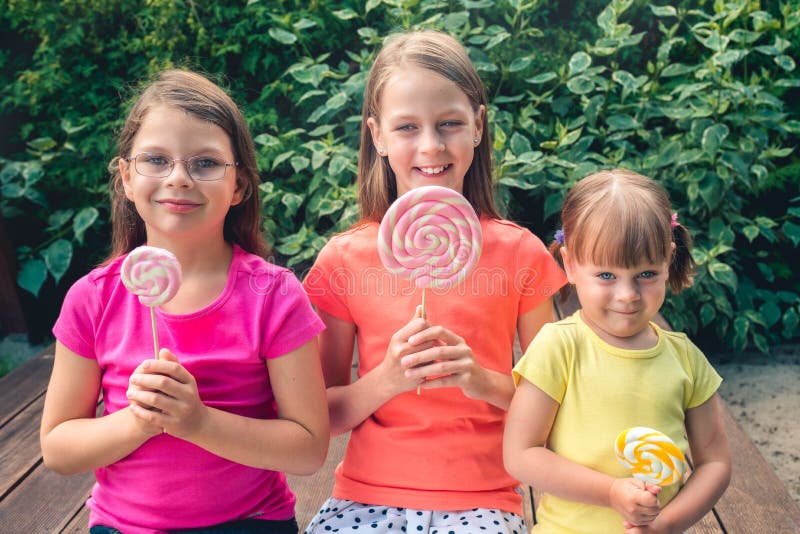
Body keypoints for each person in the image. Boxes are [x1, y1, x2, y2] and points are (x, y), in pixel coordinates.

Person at [40, 69, 329, 534]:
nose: (178, 178)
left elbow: (309, 448)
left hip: (250, 522)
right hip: (124, 526)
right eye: (156, 159)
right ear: (126, 179)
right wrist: (140, 421)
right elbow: (57, 448)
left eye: (206, 163)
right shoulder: (92, 298)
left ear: (239, 186)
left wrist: (197, 422)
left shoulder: (274, 294)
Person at [301, 30, 567, 533]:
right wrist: (387, 380)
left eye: (449, 124)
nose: (430, 145)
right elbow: (322, 417)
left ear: (479, 126)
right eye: (406, 127)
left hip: (484, 501)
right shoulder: (343, 260)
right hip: (365, 497)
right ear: (377, 136)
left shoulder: (520, 254)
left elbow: (557, 400)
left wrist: (477, 378)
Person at [504, 169, 732, 533]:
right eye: (607, 276)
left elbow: (715, 463)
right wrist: (610, 491)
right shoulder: (559, 347)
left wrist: (666, 525)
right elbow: (521, 454)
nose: (628, 295)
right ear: (571, 264)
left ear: (668, 261)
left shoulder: (685, 358)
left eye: (646, 274)